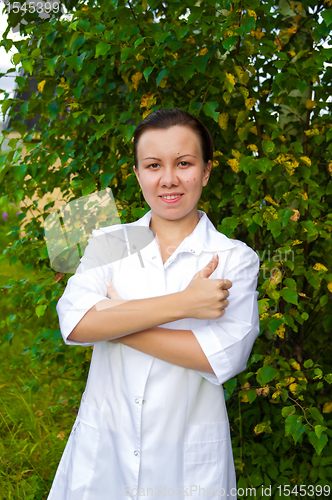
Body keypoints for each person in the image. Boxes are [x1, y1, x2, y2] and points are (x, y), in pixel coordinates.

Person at [47, 108, 260, 500]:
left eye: (184, 163)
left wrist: (114, 319)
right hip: (104, 452)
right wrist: (184, 303)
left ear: (207, 171)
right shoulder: (110, 242)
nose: (168, 179)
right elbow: (74, 325)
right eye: (153, 165)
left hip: (185, 464)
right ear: (137, 174)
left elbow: (221, 358)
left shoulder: (234, 258)